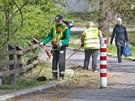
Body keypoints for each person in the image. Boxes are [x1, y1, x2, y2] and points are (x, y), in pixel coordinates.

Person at [40, 15, 70, 80]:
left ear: (61, 20)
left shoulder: (65, 28)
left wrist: (62, 43)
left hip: (61, 46)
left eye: (58, 21)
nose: (57, 22)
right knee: (54, 61)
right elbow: (49, 36)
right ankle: (54, 75)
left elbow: (67, 39)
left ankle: (61, 76)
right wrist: (43, 42)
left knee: (61, 61)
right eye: (56, 21)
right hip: (55, 46)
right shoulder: (54, 27)